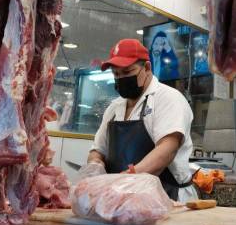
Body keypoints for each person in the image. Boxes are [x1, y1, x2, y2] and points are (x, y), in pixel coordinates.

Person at [78, 39, 198, 202]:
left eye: (127, 72)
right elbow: (98, 150)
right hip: (120, 198)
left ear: (147, 68)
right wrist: (95, 167)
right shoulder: (114, 108)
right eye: (116, 74)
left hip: (167, 198)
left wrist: (129, 178)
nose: (121, 79)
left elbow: (167, 148)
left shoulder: (168, 98)